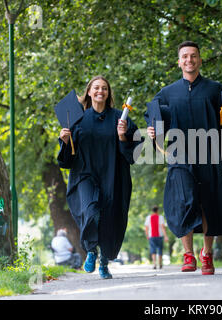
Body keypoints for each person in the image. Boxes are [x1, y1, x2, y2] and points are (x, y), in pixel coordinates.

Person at [145, 41, 222, 275]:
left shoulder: (217, 90)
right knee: (183, 202)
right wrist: (152, 131)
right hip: (179, 155)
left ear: (200, 60)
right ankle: (188, 254)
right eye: (185, 57)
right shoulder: (167, 93)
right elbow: (155, 118)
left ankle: (206, 255)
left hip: (210, 153)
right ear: (179, 62)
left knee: (209, 203)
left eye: (193, 56)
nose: (189, 60)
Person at [57, 75, 142, 279]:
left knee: (109, 218)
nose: (100, 91)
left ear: (108, 93)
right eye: (96, 88)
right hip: (85, 175)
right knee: (91, 210)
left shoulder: (119, 118)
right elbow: (66, 159)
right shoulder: (78, 120)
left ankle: (103, 261)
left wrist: (122, 136)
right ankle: (91, 250)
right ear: (88, 92)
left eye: (104, 88)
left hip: (113, 176)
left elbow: (136, 151)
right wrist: (65, 141)